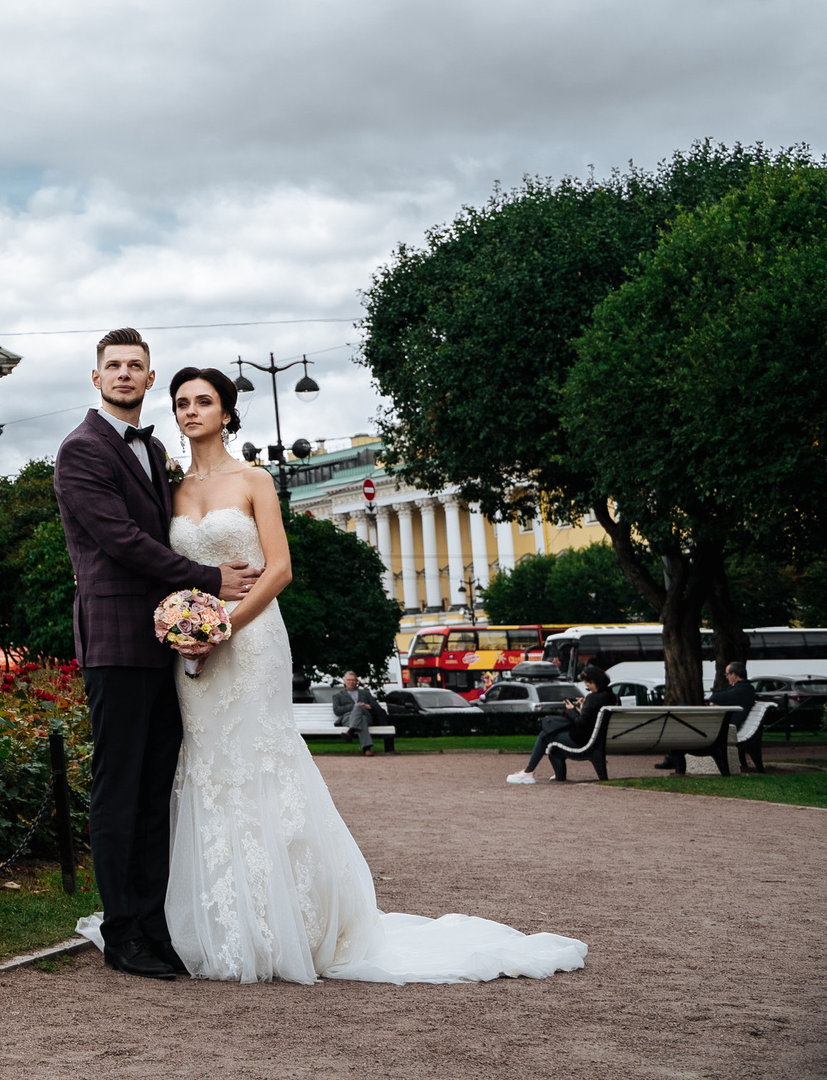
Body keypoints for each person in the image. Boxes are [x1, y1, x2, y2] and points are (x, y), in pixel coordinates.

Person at [80, 363, 585, 984]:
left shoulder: (256, 478)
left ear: (227, 413)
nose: (189, 412)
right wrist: (192, 629)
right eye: (182, 402)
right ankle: (208, 922)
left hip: (250, 640)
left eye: (203, 401)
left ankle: (290, 919)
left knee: (262, 762)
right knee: (205, 770)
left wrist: (224, 627)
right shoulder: (170, 486)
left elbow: (280, 569)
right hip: (193, 654)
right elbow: (151, 555)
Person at [54, 328, 260, 981]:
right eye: (112, 365)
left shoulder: (154, 450)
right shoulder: (82, 450)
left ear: (149, 379)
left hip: (161, 643)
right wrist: (207, 581)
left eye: (134, 366)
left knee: (153, 793)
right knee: (119, 793)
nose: (123, 374)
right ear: (97, 378)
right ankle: (122, 934)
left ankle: (152, 926)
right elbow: (119, 541)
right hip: (116, 641)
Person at [509, 666, 615, 783]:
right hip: (596, 738)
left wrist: (571, 710)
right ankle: (554, 775)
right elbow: (590, 718)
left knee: (545, 735)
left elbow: (580, 722)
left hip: (581, 740)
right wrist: (582, 708)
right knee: (553, 741)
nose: (587, 687)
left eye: (587, 684)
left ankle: (528, 772)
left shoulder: (593, 698)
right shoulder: (611, 696)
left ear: (594, 681)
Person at [331, 671, 383, 755]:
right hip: (348, 718)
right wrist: (354, 706)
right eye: (349, 680)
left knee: (361, 711)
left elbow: (376, 706)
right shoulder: (338, 695)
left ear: (356, 682)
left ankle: (350, 732)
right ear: (344, 681)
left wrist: (367, 706)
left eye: (353, 680)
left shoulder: (365, 693)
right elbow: (337, 710)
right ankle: (367, 749)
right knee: (362, 718)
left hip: (366, 714)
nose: (351, 682)